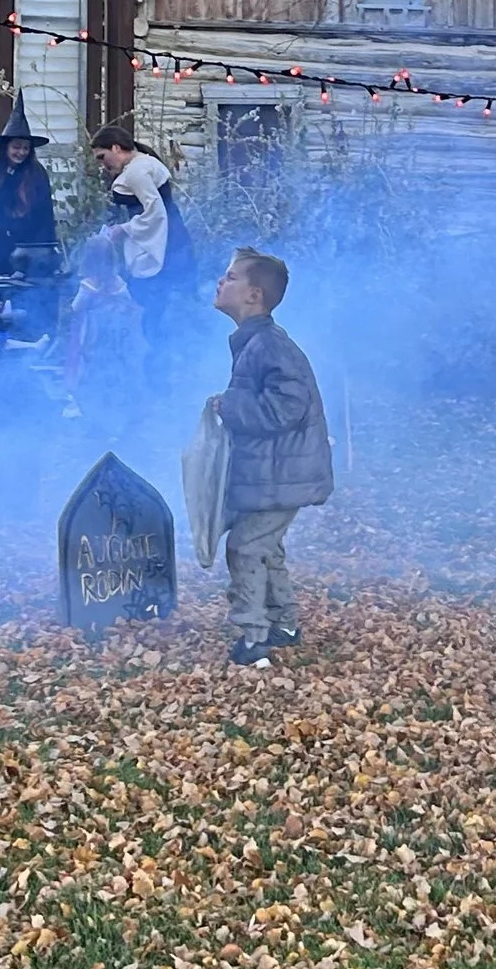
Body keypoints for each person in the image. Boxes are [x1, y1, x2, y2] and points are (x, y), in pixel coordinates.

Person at [208, 248, 333, 667]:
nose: (220, 283)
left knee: (245, 546)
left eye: (229, 277)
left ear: (253, 295)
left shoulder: (268, 345)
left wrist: (230, 407)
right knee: (265, 545)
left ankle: (254, 638)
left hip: (284, 473)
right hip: (274, 472)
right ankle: (284, 624)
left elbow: (286, 407)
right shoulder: (255, 342)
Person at [91, 126, 199, 373]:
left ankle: (160, 373)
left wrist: (123, 229)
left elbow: (155, 213)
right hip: (171, 241)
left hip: (166, 246)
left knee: (156, 313)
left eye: (102, 156)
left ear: (116, 148)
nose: (102, 164)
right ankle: (163, 370)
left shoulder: (138, 171)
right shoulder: (141, 165)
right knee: (161, 311)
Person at [0, 93, 59, 276]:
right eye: (16, 147)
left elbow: (45, 215)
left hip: (27, 251)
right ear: (5, 147)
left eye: (25, 148)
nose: (21, 152)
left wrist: (45, 252)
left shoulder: (37, 174)